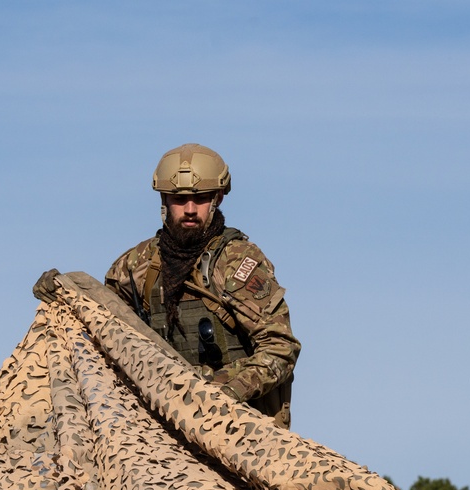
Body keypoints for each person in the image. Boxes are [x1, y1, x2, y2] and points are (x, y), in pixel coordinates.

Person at [38, 143, 300, 428]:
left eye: (199, 198)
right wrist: (64, 293)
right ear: (164, 199)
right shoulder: (136, 266)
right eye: (179, 199)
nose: (189, 209)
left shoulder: (236, 263)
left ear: (218, 198)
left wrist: (221, 390)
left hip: (242, 426)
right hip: (165, 426)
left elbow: (280, 349)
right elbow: (102, 325)